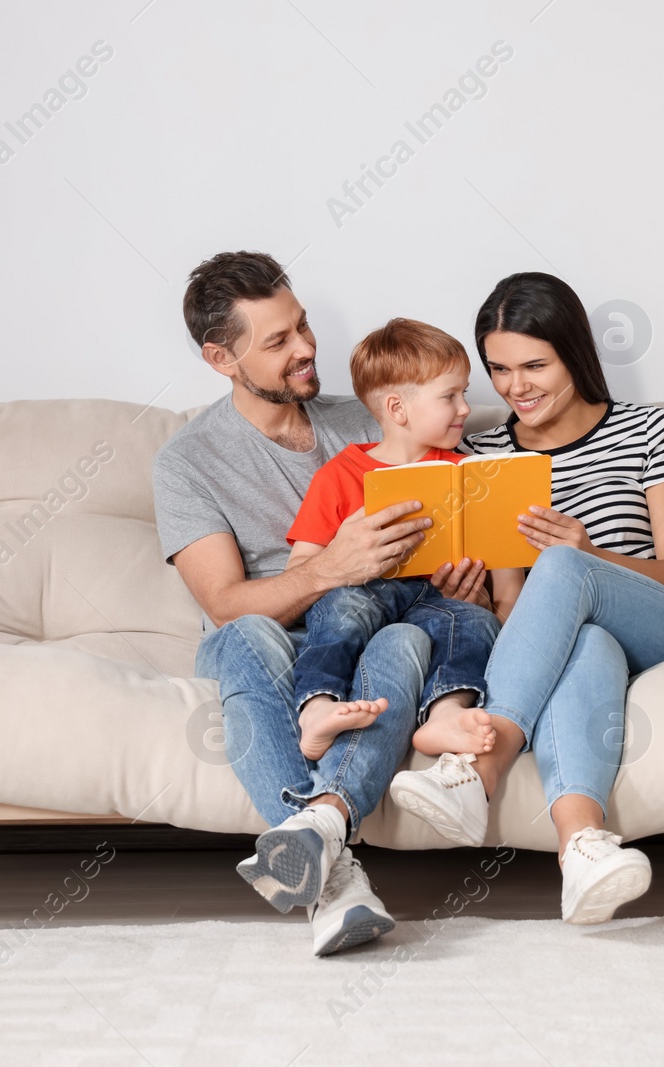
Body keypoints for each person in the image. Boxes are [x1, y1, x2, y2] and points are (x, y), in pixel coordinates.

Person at [153, 252, 488, 957]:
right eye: (277, 341)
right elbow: (224, 602)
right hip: (272, 636)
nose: (306, 348)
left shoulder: (371, 421)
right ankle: (334, 882)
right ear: (221, 357)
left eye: (301, 325)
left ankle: (322, 843)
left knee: (405, 644)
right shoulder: (189, 459)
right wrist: (329, 567)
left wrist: (469, 582)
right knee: (249, 635)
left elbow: (466, 511)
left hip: (380, 627)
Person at [388, 272, 664, 925]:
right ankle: (583, 852)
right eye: (500, 369)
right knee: (588, 640)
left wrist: (587, 553)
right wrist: (472, 596)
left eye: (536, 364)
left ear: (575, 353)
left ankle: (478, 770)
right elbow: (517, 615)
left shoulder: (650, 431)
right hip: (576, 644)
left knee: (566, 565)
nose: (517, 385)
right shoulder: (481, 455)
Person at [284, 318, 517, 765]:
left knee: (473, 623)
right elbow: (302, 573)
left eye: (464, 392)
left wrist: (487, 601)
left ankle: (445, 714)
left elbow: (509, 587)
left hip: (438, 600)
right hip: (367, 595)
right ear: (397, 408)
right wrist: (342, 555)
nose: (466, 407)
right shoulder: (337, 476)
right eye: (450, 396)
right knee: (339, 608)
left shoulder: (474, 475)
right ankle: (316, 708)